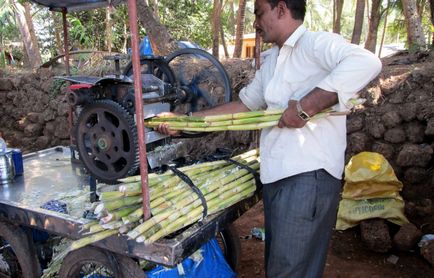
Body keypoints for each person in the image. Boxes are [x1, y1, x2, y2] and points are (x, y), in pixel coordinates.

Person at [158, 0, 382, 276]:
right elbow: (244, 105)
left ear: (281, 9)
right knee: (285, 265)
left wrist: (305, 107)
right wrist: (185, 123)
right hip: (279, 178)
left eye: (259, 13)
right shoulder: (273, 60)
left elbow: (367, 62)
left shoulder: (314, 44)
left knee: (287, 270)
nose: (255, 22)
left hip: (307, 178)